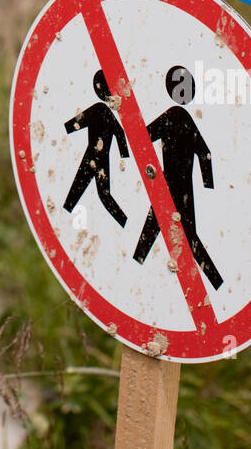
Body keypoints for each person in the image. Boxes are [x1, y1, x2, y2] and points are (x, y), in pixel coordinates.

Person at [133, 65, 223, 290]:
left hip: (168, 185)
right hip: (183, 188)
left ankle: (216, 283)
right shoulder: (184, 118)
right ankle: (216, 283)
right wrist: (207, 184)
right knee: (166, 233)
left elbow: (142, 137)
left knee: (165, 233)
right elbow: (205, 154)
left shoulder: (173, 116)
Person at [62, 69, 130, 227]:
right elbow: (120, 134)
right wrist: (124, 154)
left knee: (83, 191)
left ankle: (125, 222)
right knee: (98, 194)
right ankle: (125, 222)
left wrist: (65, 129)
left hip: (92, 155)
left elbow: (75, 123)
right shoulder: (107, 113)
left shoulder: (99, 109)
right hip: (102, 157)